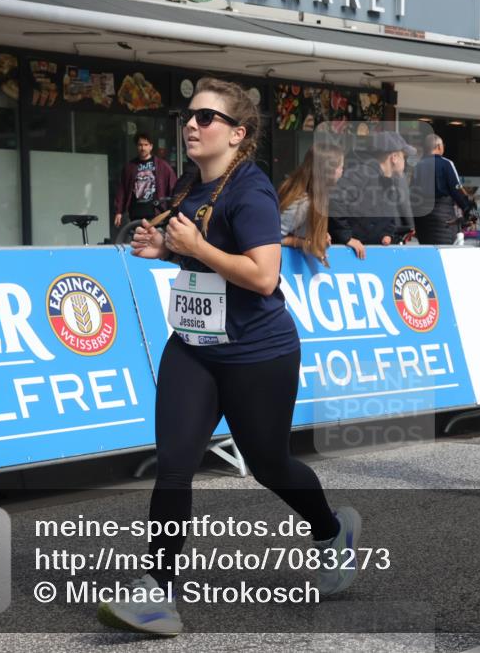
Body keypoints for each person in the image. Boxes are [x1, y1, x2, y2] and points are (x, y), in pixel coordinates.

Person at [98, 78, 361, 635]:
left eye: (207, 118)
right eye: (189, 116)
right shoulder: (193, 188)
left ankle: (331, 530)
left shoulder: (253, 191)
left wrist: (193, 247)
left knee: (269, 464)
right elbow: (207, 268)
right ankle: (158, 594)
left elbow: (264, 277)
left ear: (237, 134)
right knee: (173, 467)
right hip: (192, 349)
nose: (192, 125)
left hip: (257, 354)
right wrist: (167, 252)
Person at [328, 130, 415, 257]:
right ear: (394, 158)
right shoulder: (361, 173)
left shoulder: (388, 182)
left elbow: (386, 217)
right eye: (404, 157)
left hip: (369, 256)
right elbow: (335, 201)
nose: (405, 162)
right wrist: (346, 237)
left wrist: (387, 234)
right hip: (348, 256)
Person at [278, 141, 345, 265]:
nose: (342, 171)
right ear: (329, 172)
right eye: (340, 167)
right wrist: (303, 243)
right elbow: (271, 238)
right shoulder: (302, 202)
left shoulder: (314, 196)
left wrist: (319, 234)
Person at [411, 134, 472, 245]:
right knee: (444, 253)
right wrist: (468, 210)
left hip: (421, 220)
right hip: (443, 217)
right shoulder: (446, 163)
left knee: (427, 254)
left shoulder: (417, 166)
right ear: (439, 146)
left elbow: (412, 195)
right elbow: (457, 190)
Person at [113, 131, 178, 227]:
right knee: (136, 241)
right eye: (140, 145)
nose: (143, 148)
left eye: (145, 145)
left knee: (154, 241)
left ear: (151, 146)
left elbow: (173, 186)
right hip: (134, 216)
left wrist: (173, 210)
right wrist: (119, 211)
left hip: (156, 215)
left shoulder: (162, 166)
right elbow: (122, 190)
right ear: (136, 146)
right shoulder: (130, 167)